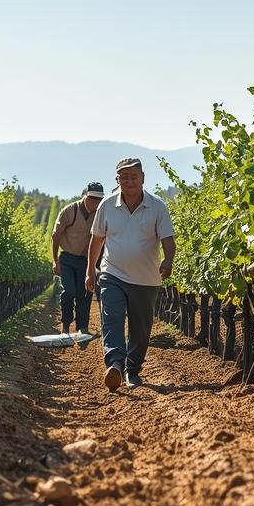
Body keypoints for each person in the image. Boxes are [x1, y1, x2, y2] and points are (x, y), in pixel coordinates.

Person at [85, 157, 175, 390]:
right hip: (112, 274)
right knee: (112, 318)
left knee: (140, 329)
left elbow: (168, 239)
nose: (129, 181)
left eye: (133, 177)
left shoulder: (157, 207)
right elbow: (97, 240)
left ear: (142, 178)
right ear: (118, 180)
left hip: (146, 279)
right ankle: (115, 364)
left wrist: (168, 260)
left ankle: (132, 370)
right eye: (124, 177)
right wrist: (90, 270)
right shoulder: (107, 205)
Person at [51, 182, 103, 335]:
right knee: (69, 291)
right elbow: (56, 235)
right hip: (67, 259)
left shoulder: (100, 214)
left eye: (98, 199)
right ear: (84, 196)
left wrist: (98, 264)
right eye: (91, 198)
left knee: (85, 294)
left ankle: (82, 328)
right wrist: (55, 260)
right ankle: (65, 325)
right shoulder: (70, 211)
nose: (95, 202)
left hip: (86, 261)